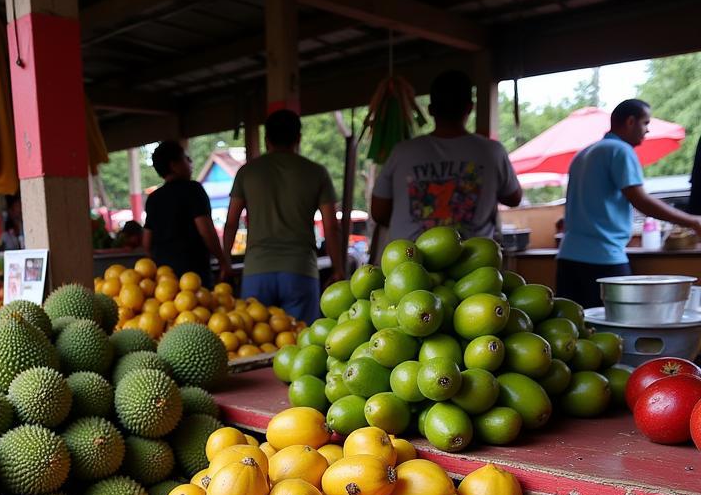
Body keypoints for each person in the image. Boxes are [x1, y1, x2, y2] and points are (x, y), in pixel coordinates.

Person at [557, 99, 701, 307]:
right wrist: (692, 221)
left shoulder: (584, 154)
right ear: (631, 121)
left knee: (572, 329)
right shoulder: (620, 150)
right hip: (603, 259)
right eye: (645, 123)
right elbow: (639, 199)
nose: (647, 130)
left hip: (568, 257)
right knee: (612, 331)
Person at [370, 70, 522, 246]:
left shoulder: (402, 152)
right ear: (469, 108)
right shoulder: (492, 151)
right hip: (472, 262)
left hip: (411, 260)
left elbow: (379, 212)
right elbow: (514, 198)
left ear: (431, 110)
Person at [223, 110, 341, 323]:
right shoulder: (316, 172)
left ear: (267, 139)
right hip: (300, 270)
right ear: (298, 138)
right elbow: (331, 227)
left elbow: (231, 223)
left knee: (255, 344)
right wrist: (339, 269)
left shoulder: (247, 172)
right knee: (301, 343)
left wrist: (225, 263)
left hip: (257, 271)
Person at [143, 140, 230, 285]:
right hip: (194, 275)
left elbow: (146, 243)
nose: (190, 162)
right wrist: (223, 261)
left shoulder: (153, 199)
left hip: (164, 280)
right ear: (174, 165)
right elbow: (206, 230)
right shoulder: (193, 190)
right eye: (186, 158)